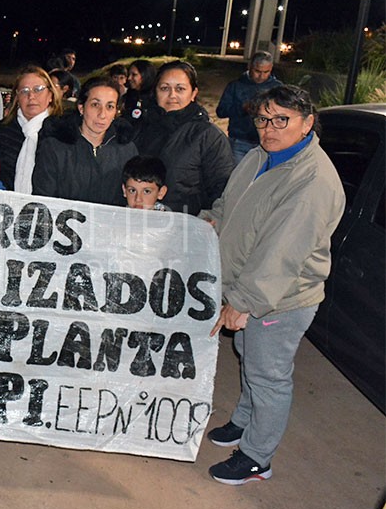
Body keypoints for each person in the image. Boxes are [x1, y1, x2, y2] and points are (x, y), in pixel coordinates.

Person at [201, 85, 344, 485]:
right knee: (250, 357)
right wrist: (212, 218)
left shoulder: (311, 179)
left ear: (307, 123)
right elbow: (234, 203)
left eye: (282, 119)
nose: (270, 128)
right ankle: (245, 422)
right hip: (250, 286)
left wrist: (244, 301)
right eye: (264, 119)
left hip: (280, 299)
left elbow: (281, 253)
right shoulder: (262, 156)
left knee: (269, 376)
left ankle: (257, 457)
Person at [132, 60, 233, 215]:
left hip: (184, 226)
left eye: (180, 89)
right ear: (155, 92)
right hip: (138, 220)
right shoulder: (141, 127)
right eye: (165, 88)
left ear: (193, 94)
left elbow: (222, 190)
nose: (172, 95)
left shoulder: (209, 136)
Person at [33, 77, 137, 205]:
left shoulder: (127, 150)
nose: (102, 114)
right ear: (81, 108)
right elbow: (43, 199)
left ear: (116, 111)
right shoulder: (55, 147)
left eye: (109, 106)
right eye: (95, 105)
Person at [0, 66, 62, 193]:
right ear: (17, 97)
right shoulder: (2, 131)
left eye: (38, 89)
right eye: (24, 91)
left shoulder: (62, 132)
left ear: (50, 95)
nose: (31, 96)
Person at [217, 51, 282, 164]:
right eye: (257, 71)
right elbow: (221, 111)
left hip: (266, 142)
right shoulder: (236, 86)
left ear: (271, 68)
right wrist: (243, 108)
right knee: (238, 178)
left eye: (266, 72)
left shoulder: (277, 88)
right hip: (239, 141)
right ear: (250, 66)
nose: (261, 76)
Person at [122, 59, 156, 124]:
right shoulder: (130, 95)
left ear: (145, 75)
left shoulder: (155, 97)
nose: (129, 78)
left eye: (134, 74)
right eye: (129, 74)